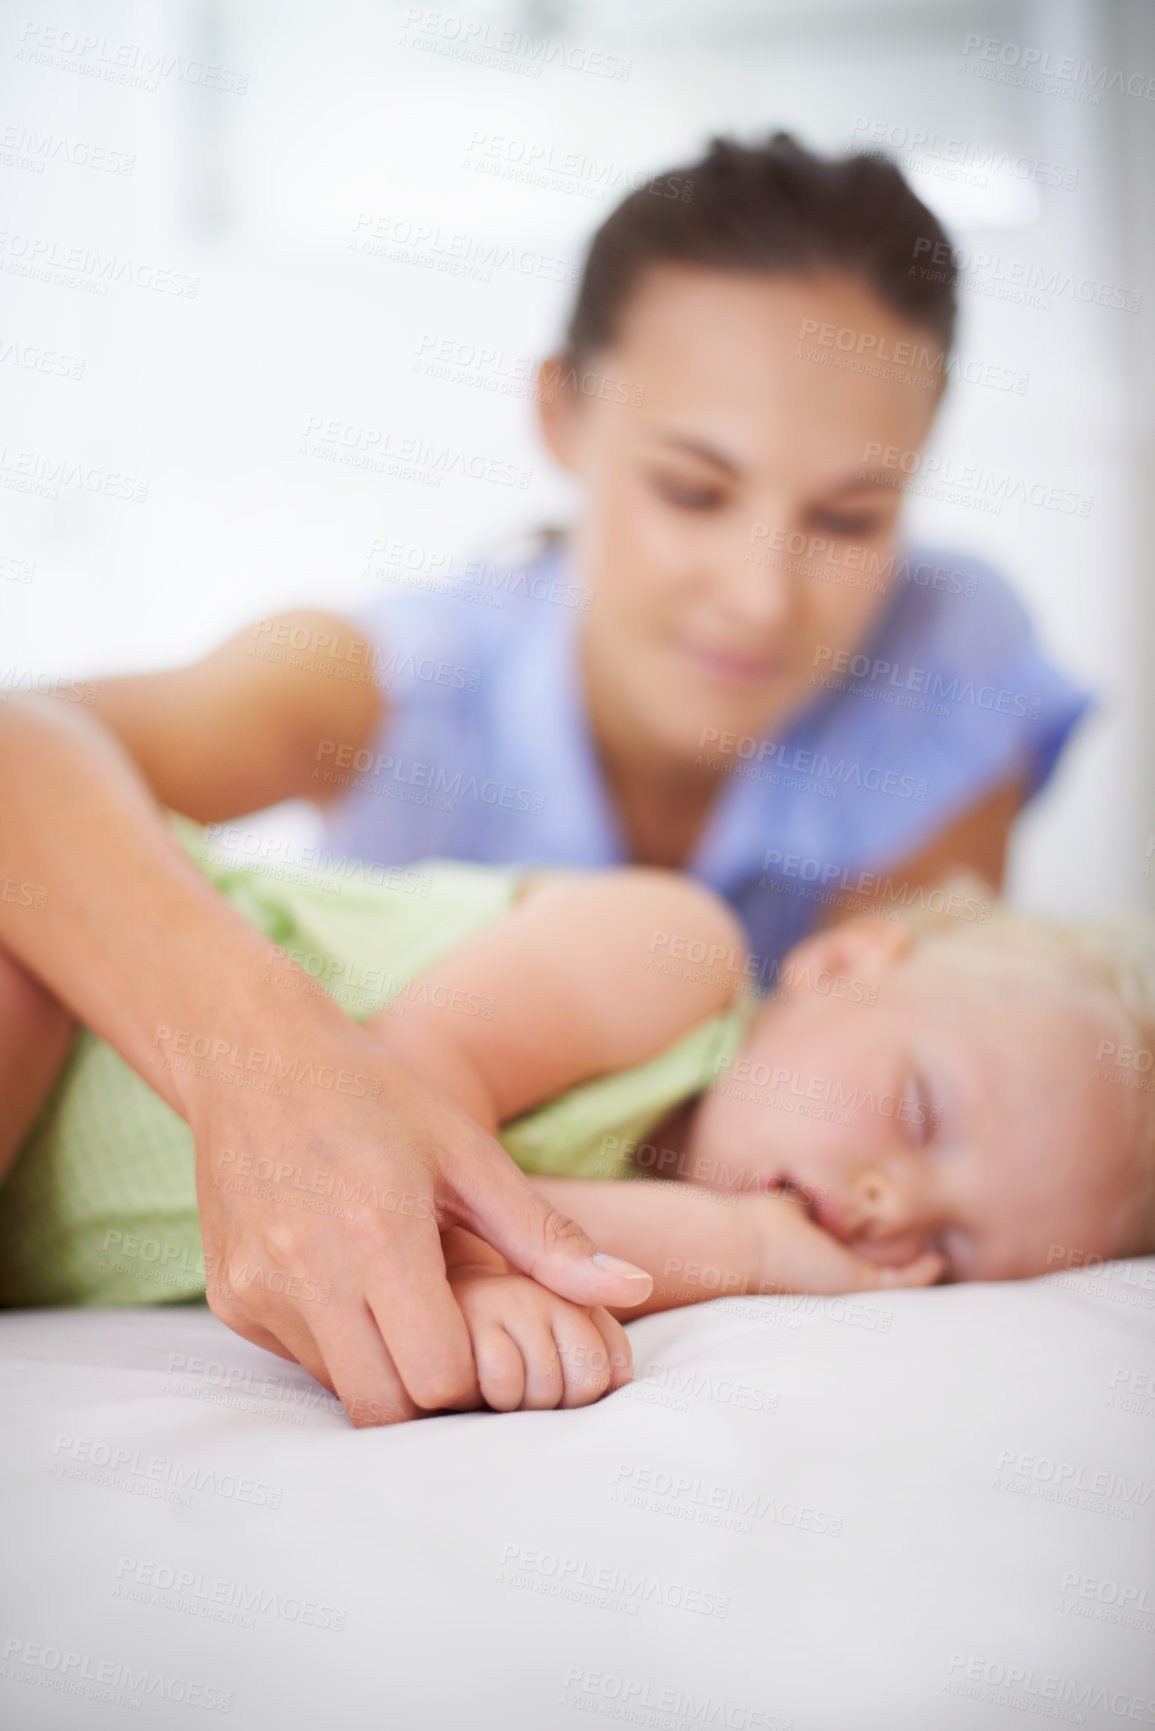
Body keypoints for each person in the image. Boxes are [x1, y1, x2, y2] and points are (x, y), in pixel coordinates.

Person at [81, 133, 1091, 977]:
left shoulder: (945, 653)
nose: (759, 597)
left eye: (849, 520)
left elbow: (864, 1108)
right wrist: (265, 1061)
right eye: (692, 493)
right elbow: (24, 754)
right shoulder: (390, 686)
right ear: (560, 415)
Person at [4, 795, 1151, 1423]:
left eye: (951, 1250)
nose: (890, 1203)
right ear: (844, 965)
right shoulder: (671, 958)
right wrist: (738, 1244)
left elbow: (377, 1264)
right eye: (918, 1109)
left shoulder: (651, 1289)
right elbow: (389, 1109)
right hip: (64, 959)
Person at [0, 695, 657, 1427]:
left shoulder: (667, 1154)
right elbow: (418, 1065)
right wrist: (463, 1267)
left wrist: (757, 1242)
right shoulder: (681, 955)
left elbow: (566, 1239)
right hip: (64, 949)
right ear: (815, 968)